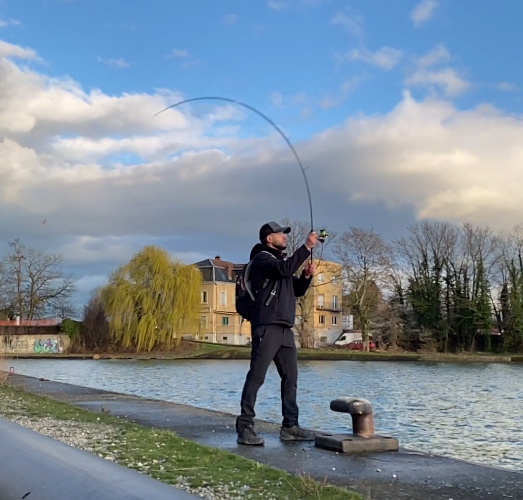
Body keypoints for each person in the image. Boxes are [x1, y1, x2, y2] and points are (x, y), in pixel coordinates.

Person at [235, 221, 318, 445]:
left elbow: (297, 290)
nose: (284, 236)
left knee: (291, 377)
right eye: (280, 233)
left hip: (284, 328)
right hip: (266, 326)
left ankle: (290, 426)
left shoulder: (279, 265)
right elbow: (284, 269)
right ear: (268, 238)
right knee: (257, 376)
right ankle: (245, 427)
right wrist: (306, 247)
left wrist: (306, 276)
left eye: (284, 233)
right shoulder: (262, 259)